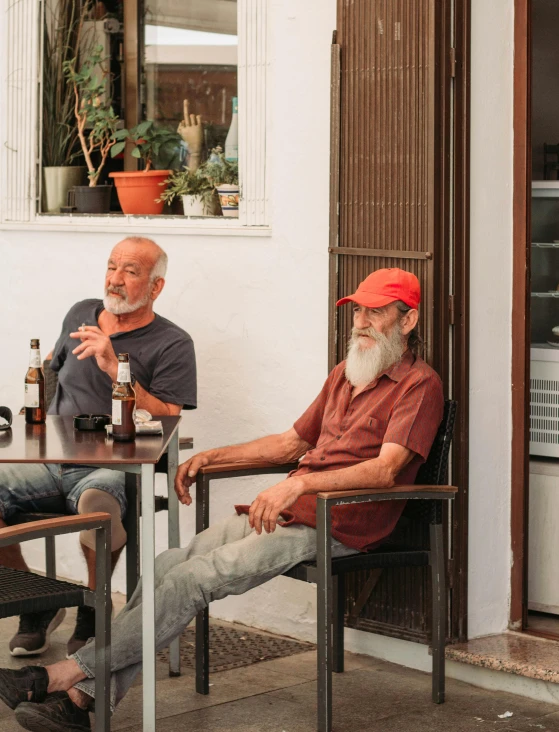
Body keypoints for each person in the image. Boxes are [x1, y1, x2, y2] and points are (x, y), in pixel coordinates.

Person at [0, 268, 443, 732]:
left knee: (192, 580)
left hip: (339, 521)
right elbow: (292, 443)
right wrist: (213, 456)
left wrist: (299, 485)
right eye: (358, 310)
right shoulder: (346, 374)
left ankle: (57, 676)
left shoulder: (419, 385)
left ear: (407, 321)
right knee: (168, 565)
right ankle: (81, 700)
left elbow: (385, 469)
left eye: (377, 312)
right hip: (288, 508)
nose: (362, 321)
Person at [0, 237, 197, 658]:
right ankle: (37, 604)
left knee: (99, 505)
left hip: (112, 464)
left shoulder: (173, 342)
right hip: (48, 459)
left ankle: (93, 607)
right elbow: (49, 374)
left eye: (131, 271)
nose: (116, 279)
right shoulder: (80, 312)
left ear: (156, 286)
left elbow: (167, 415)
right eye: (112, 266)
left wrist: (114, 367)